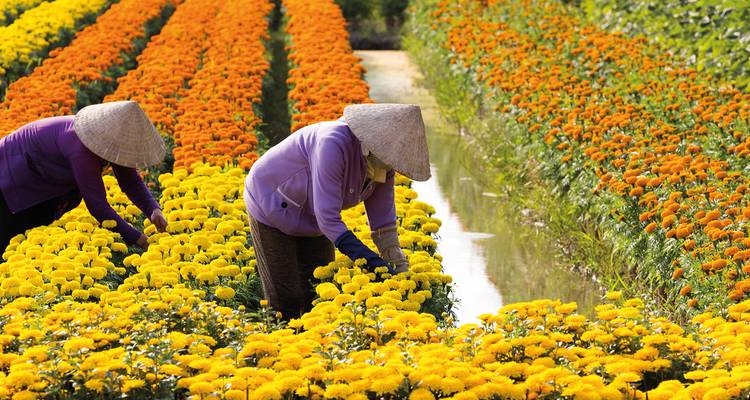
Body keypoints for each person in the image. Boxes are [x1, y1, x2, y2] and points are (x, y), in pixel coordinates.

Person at [243, 103, 430, 319]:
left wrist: (396, 262)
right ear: (372, 144)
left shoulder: (383, 165)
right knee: (287, 300)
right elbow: (329, 220)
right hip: (271, 202)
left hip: (312, 215)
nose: (391, 167)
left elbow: (383, 222)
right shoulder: (332, 143)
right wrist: (369, 260)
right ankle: (279, 344)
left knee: (319, 291)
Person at [0, 100, 168, 254]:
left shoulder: (110, 142)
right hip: (12, 175)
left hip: (43, 177)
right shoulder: (81, 148)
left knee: (31, 234)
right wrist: (138, 239)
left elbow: (130, 180)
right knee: (9, 239)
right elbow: (98, 207)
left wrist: (153, 209)